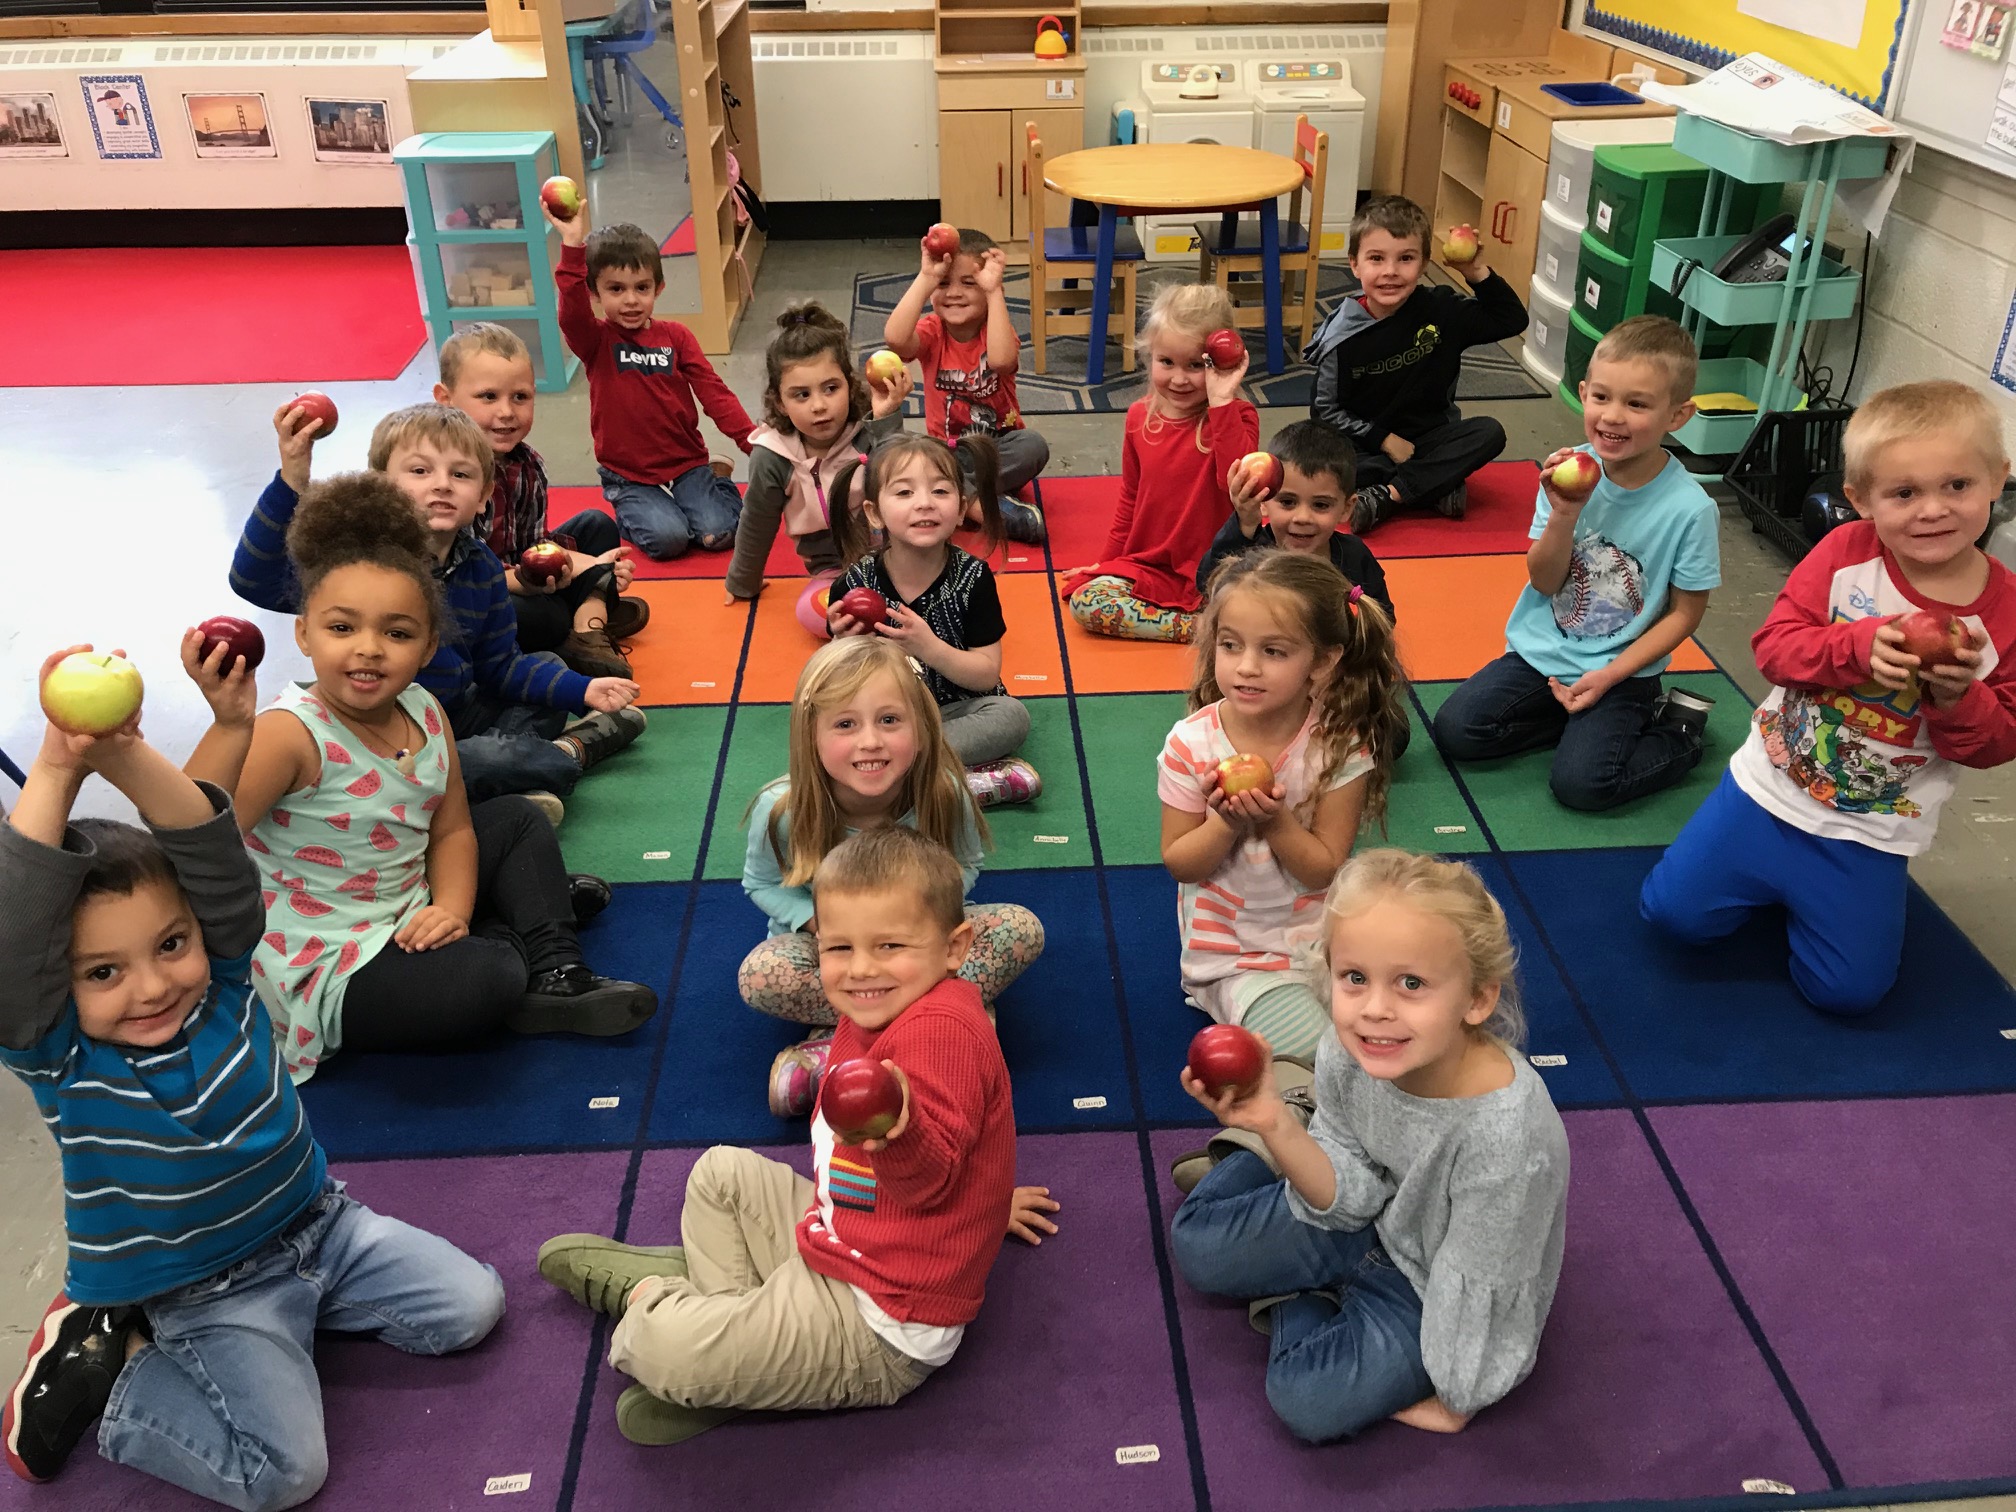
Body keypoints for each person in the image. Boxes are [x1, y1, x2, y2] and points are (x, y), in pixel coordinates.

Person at [0, 644, 504, 1505]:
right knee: (283, 1473)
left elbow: (210, 852)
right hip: (201, 1294)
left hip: (322, 1229)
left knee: (472, 1307)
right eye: (103, 973)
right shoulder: (62, 1055)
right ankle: (111, 1370)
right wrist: (55, 764)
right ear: (60, 989)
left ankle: (290, 1325)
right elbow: (14, 938)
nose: (154, 985)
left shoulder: (228, 980)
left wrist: (124, 751)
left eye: (170, 945)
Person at [536, 826, 1018, 1446]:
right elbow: (969, 1162)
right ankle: (740, 1345)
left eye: (891, 944)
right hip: (840, 1237)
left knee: (663, 1350)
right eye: (840, 947)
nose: (862, 969)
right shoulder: (874, 1011)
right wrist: (987, 1197)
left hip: (885, 1321)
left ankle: (664, 1300)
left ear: (955, 947)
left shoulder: (940, 1033)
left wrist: (901, 1135)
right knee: (720, 1172)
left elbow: (932, 1177)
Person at [199, 475, 658, 1081]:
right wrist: (229, 726)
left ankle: (556, 969)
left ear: (427, 644)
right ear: (303, 632)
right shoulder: (289, 733)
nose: (368, 649)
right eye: (342, 629)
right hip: (334, 957)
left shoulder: (424, 709)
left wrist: (454, 910)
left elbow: (451, 833)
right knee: (484, 979)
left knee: (518, 820)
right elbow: (195, 835)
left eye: (396, 633)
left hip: (406, 892)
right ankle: (524, 923)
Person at [1169, 849, 1569, 1444]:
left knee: (1306, 1400)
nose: (1376, 1010)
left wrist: (1460, 1396)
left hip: (1431, 1280)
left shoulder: (1508, 1140)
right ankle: (1285, 1119)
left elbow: (1483, 1279)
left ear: (1477, 1000)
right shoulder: (1347, 1046)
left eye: (1412, 983)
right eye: (1354, 978)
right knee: (1196, 1248)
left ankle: (1291, 1244)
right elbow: (1349, 1185)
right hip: (1362, 1213)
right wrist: (1273, 1123)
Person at [1642, 380, 2016, 1014]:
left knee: (1847, 994)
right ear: (1859, 499)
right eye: (1904, 493)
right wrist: (1853, 649)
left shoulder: (2004, 615)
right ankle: (1768, 885)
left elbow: (1997, 743)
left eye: (1958, 485)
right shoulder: (1846, 554)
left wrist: (1957, 701)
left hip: (1871, 830)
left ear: (1999, 480)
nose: (1932, 510)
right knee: (1672, 919)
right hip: (1767, 790)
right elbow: (1775, 649)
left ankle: (1815, 902)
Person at [231, 402, 646, 825]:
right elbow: (251, 580)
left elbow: (500, 667)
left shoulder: (481, 565)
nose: (442, 485)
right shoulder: (355, 563)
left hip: (453, 717)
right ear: (382, 485)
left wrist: (583, 689)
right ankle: (563, 755)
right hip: (377, 734)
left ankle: (486, 780)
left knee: (548, 667)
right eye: (419, 471)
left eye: (461, 475)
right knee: (488, 759)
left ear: (484, 497)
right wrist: (293, 479)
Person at [740, 637, 1044, 1114]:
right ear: (810, 735)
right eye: (845, 724)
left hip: (918, 948)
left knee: (1021, 929)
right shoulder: (781, 810)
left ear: (921, 727)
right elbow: (759, 884)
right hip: (832, 956)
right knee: (760, 975)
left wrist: (918, 920)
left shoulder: (943, 794)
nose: (870, 741)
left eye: (889, 720)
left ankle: (840, 1048)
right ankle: (939, 1025)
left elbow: (965, 864)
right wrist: (821, 926)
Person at [1432, 316, 1720, 813]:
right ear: (1583, 392)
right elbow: (1544, 580)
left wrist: (1609, 678)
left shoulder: (1691, 509)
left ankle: (1678, 731)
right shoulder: (1566, 471)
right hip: (1541, 656)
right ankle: (1574, 724)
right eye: (1602, 397)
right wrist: (1565, 513)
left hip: (1622, 672)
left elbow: (1684, 614)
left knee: (1582, 786)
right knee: (1457, 732)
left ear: (1678, 415)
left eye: (1637, 404)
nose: (1612, 416)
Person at [1159, 551, 1409, 1061]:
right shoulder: (1191, 743)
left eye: (1273, 652)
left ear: (1321, 661)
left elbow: (1321, 870)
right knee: (1327, 1053)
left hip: (1331, 943)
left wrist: (1275, 822)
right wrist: (1226, 824)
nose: (1246, 667)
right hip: (1237, 957)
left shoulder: (1339, 744)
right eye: (1230, 646)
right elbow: (1180, 863)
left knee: (1413, 1018)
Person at [826, 430, 1042, 809]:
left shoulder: (973, 578)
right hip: (884, 718)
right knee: (818, 715)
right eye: (904, 493)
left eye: (940, 492)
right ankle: (953, 782)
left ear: (961, 508)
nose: (924, 504)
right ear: (875, 513)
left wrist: (928, 647)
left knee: (1011, 717)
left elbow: (985, 675)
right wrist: (838, 646)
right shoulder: (855, 582)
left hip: (954, 712)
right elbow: (839, 686)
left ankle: (902, 779)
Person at [543, 198, 755, 560]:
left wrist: (751, 440)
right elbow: (571, 315)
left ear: (658, 288)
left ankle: (718, 479)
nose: (630, 300)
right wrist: (572, 247)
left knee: (718, 534)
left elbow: (713, 392)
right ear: (595, 292)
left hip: (686, 462)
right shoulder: (595, 339)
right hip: (629, 474)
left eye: (641, 288)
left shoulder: (677, 336)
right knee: (669, 541)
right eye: (616, 289)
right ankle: (631, 510)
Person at [433, 321, 647, 679]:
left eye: (520, 397)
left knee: (597, 524)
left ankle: (587, 627)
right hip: (469, 601)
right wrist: (576, 572)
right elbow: (469, 582)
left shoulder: (527, 463)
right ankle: (580, 620)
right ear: (446, 399)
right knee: (543, 617)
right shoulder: (447, 478)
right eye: (488, 397)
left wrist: (591, 563)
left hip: (519, 573)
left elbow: (534, 546)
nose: (507, 412)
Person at [1305, 195, 1526, 532]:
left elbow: (1510, 319)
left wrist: (1474, 270)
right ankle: (1434, 485)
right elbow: (1325, 411)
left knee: (1489, 432)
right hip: (1368, 444)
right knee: (1311, 461)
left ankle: (1388, 496)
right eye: (1376, 259)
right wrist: (1383, 439)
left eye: (1406, 259)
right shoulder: (1341, 335)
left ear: (1424, 265)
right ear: (1354, 264)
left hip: (1429, 437)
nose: (1390, 272)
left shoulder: (1441, 310)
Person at [1061, 283, 1259, 643]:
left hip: (1217, 569)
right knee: (1087, 602)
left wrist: (1222, 399)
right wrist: (1105, 563)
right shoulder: (1139, 417)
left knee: (1268, 604)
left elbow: (1236, 485)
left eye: (1197, 365)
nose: (1180, 379)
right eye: (1166, 362)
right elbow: (1129, 500)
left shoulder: (1238, 416)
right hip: (1151, 565)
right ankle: (1197, 629)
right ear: (1149, 355)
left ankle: (1212, 621)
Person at [722, 301, 911, 606]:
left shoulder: (867, 433)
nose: (819, 406)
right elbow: (757, 521)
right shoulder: (772, 456)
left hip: (894, 552)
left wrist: (888, 416)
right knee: (818, 613)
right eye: (802, 395)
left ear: (849, 387)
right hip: (830, 566)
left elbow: (905, 478)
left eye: (831, 389)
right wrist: (742, 582)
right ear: (780, 402)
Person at [882, 226, 1048, 543]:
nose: (954, 292)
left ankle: (953, 496)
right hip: (947, 452)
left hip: (998, 451)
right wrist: (927, 278)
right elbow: (895, 339)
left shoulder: (994, 330)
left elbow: (1000, 361)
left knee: (1034, 445)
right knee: (905, 454)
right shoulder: (932, 331)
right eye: (945, 284)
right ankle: (979, 506)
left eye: (968, 283)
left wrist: (994, 291)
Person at [1197, 418, 1396, 621]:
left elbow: (1382, 618)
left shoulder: (1355, 556)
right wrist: (1245, 522)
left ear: (1346, 508)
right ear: (1264, 500)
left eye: (1321, 505)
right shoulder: (1252, 552)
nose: (1302, 518)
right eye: (1288, 502)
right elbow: (1209, 581)